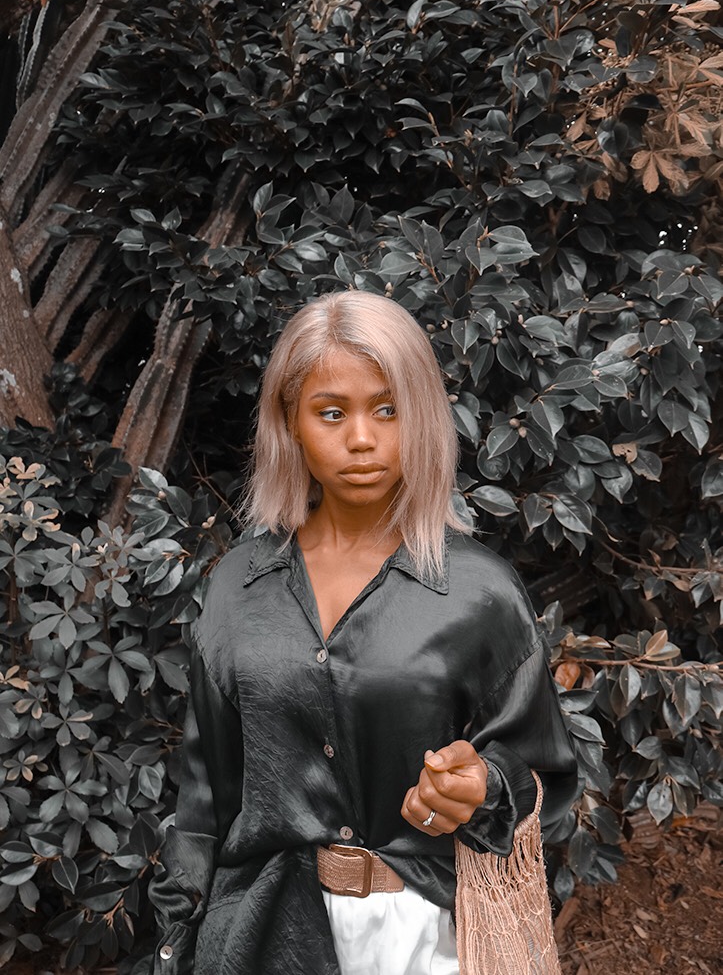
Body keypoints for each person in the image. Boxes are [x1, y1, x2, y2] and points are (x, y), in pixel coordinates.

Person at [148, 290, 578, 975]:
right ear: (288, 422)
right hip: (265, 937)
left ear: (422, 416)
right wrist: (178, 936)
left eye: (387, 409)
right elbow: (204, 800)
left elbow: (548, 782)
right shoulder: (236, 587)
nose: (360, 439)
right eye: (330, 412)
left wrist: (483, 788)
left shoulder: (480, 592)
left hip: (427, 939)